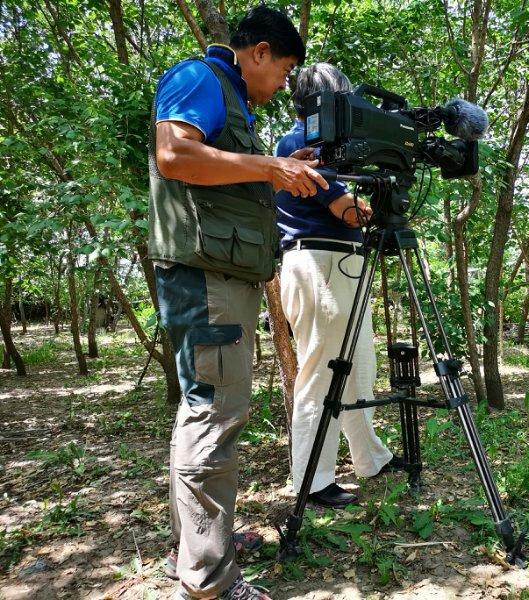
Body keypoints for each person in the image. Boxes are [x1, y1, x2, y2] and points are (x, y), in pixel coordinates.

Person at [148, 6, 329, 599]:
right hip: (205, 279)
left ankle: (202, 544)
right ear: (257, 52)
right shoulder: (198, 77)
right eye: (282, 69)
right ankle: (208, 583)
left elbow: (222, 171)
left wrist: (278, 171)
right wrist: (266, 164)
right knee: (214, 417)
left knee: (205, 412)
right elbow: (174, 156)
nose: (281, 84)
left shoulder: (234, 101)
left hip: (221, 278)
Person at [276, 63, 401, 509]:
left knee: (358, 367)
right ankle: (313, 478)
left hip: (340, 262)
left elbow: (348, 205)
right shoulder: (300, 143)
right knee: (320, 372)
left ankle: (369, 457)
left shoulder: (327, 149)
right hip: (318, 261)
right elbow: (346, 210)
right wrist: (364, 207)